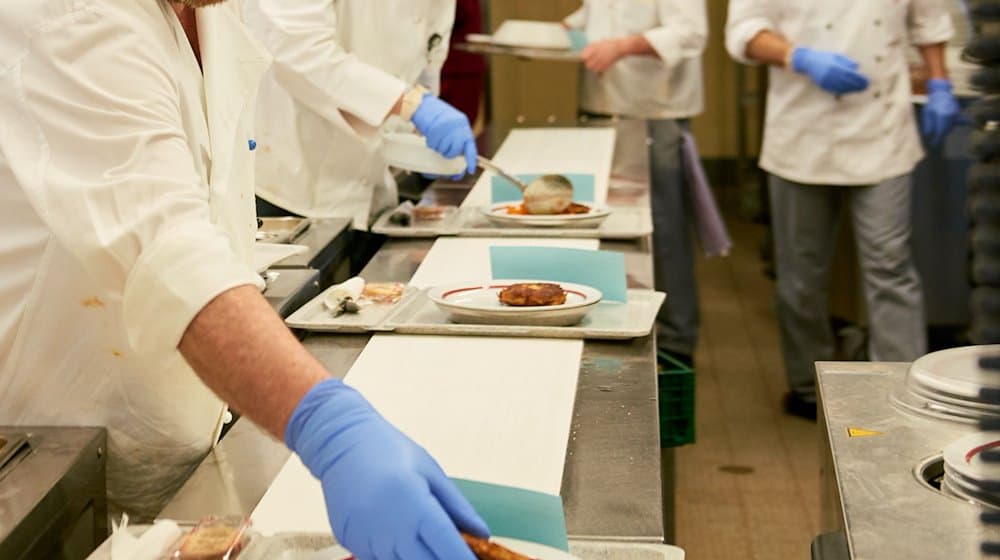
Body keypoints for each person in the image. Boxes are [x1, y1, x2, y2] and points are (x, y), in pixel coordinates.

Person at [0, 2, 486, 558]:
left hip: (176, 451)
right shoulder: (69, 12)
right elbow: (169, 252)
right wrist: (327, 423)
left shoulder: (211, 14)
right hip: (61, 469)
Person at [726, 0, 960, 419]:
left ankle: (900, 387)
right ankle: (807, 389)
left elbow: (929, 20)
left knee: (890, 266)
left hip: (882, 126)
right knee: (801, 276)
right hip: (801, 131)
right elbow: (743, 30)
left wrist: (940, 83)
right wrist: (797, 55)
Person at [242, 0, 478, 230]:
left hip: (369, 190)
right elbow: (297, 49)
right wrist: (410, 103)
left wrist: (419, 138)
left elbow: (425, 60)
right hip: (287, 184)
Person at [563, 0, 709, 367]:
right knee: (613, 230)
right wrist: (565, 31)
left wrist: (621, 46)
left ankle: (675, 343)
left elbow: (690, 33)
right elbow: (601, 12)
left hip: (653, 110)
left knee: (662, 230)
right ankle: (629, 331)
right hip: (604, 105)